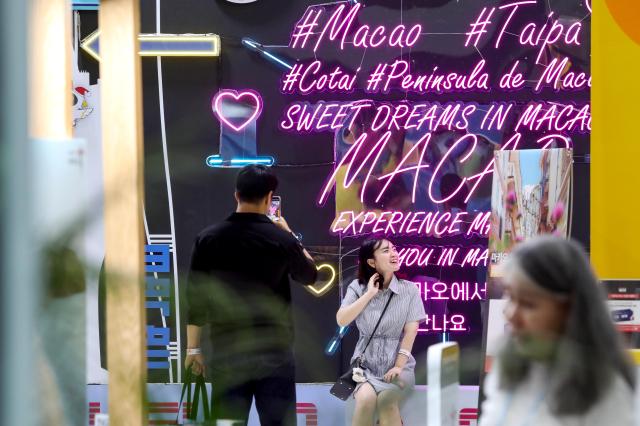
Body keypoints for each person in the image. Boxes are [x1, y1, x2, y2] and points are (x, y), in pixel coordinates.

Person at [184, 165, 318, 425]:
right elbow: (309, 275)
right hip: (274, 352)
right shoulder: (281, 240)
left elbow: (196, 299)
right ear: (269, 198)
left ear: (236, 195)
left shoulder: (208, 238)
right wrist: (289, 233)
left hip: (227, 351)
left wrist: (193, 348)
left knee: (227, 422)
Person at [479, 236, 636, 426]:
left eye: (528, 304)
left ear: (570, 309)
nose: (510, 314)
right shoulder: (509, 368)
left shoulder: (606, 391)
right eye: (510, 297)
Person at [337, 238, 426, 426]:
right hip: (364, 367)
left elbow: (411, 332)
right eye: (386, 251)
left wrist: (399, 366)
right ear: (372, 262)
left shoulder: (409, 290)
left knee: (387, 403)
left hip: (398, 367)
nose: (394, 253)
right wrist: (369, 294)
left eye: (394, 248)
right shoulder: (357, 287)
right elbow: (342, 319)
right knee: (365, 401)